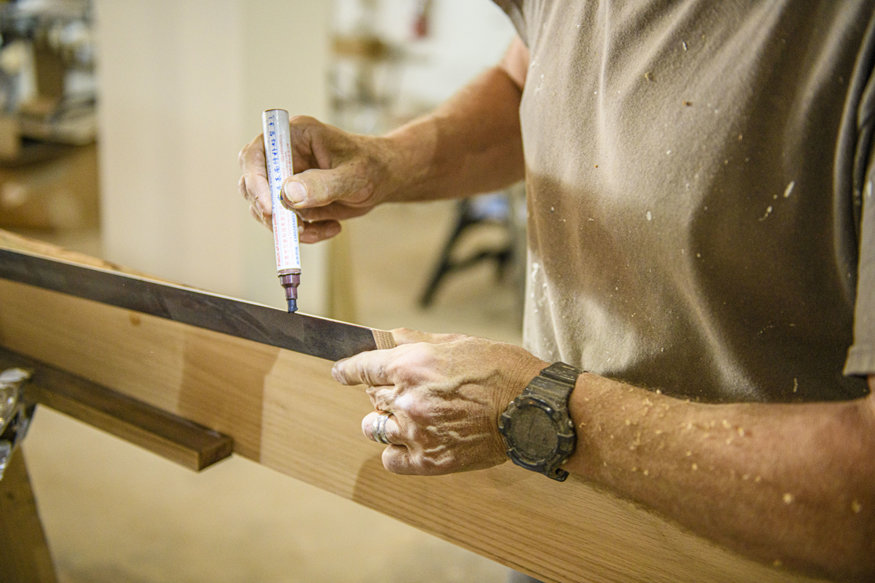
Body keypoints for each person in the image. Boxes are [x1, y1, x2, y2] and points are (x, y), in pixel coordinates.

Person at [239, 1, 875, 580]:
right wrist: (389, 160)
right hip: (554, 502)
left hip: (749, 544)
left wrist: (537, 408)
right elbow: (530, 78)